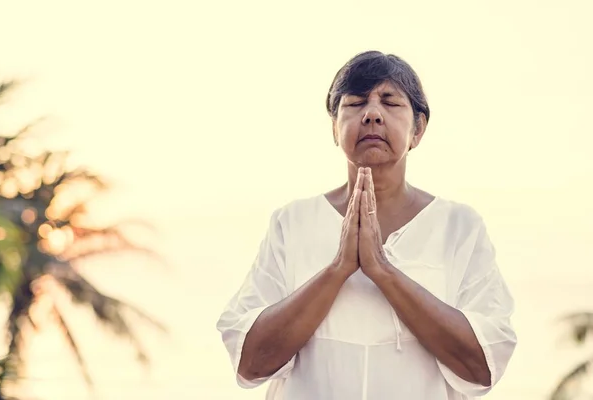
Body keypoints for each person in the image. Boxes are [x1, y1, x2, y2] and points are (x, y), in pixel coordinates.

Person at [216, 50, 517, 400]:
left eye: (390, 103)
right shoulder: (291, 223)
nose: (372, 114)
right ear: (334, 128)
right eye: (356, 102)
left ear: (417, 130)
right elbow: (250, 362)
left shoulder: (459, 226)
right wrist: (339, 268)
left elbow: (483, 365)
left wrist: (382, 271)